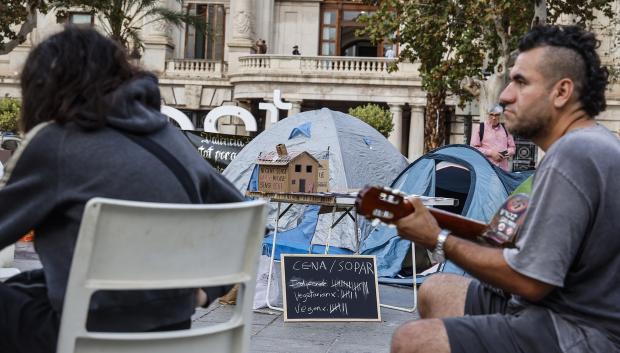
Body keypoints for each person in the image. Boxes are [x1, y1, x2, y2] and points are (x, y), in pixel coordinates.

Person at [0, 26, 243, 353]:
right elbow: (241, 220)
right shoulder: (170, 138)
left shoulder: (56, 142)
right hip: (170, 331)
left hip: (84, 332)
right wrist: (206, 291)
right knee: (25, 285)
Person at [391, 25, 619, 353]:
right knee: (436, 288)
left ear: (561, 92)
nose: (504, 95)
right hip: (549, 306)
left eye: (521, 82)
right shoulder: (587, 144)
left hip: (579, 329)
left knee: (411, 341)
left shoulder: (576, 153)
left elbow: (531, 282)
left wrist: (437, 238)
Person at [469, 104, 516, 171]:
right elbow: (473, 148)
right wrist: (491, 153)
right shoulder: (480, 128)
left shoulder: (506, 129)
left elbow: (512, 148)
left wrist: (503, 154)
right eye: (491, 114)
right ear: (487, 115)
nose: (494, 118)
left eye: (496, 115)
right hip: (485, 169)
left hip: (502, 169)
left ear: (500, 116)